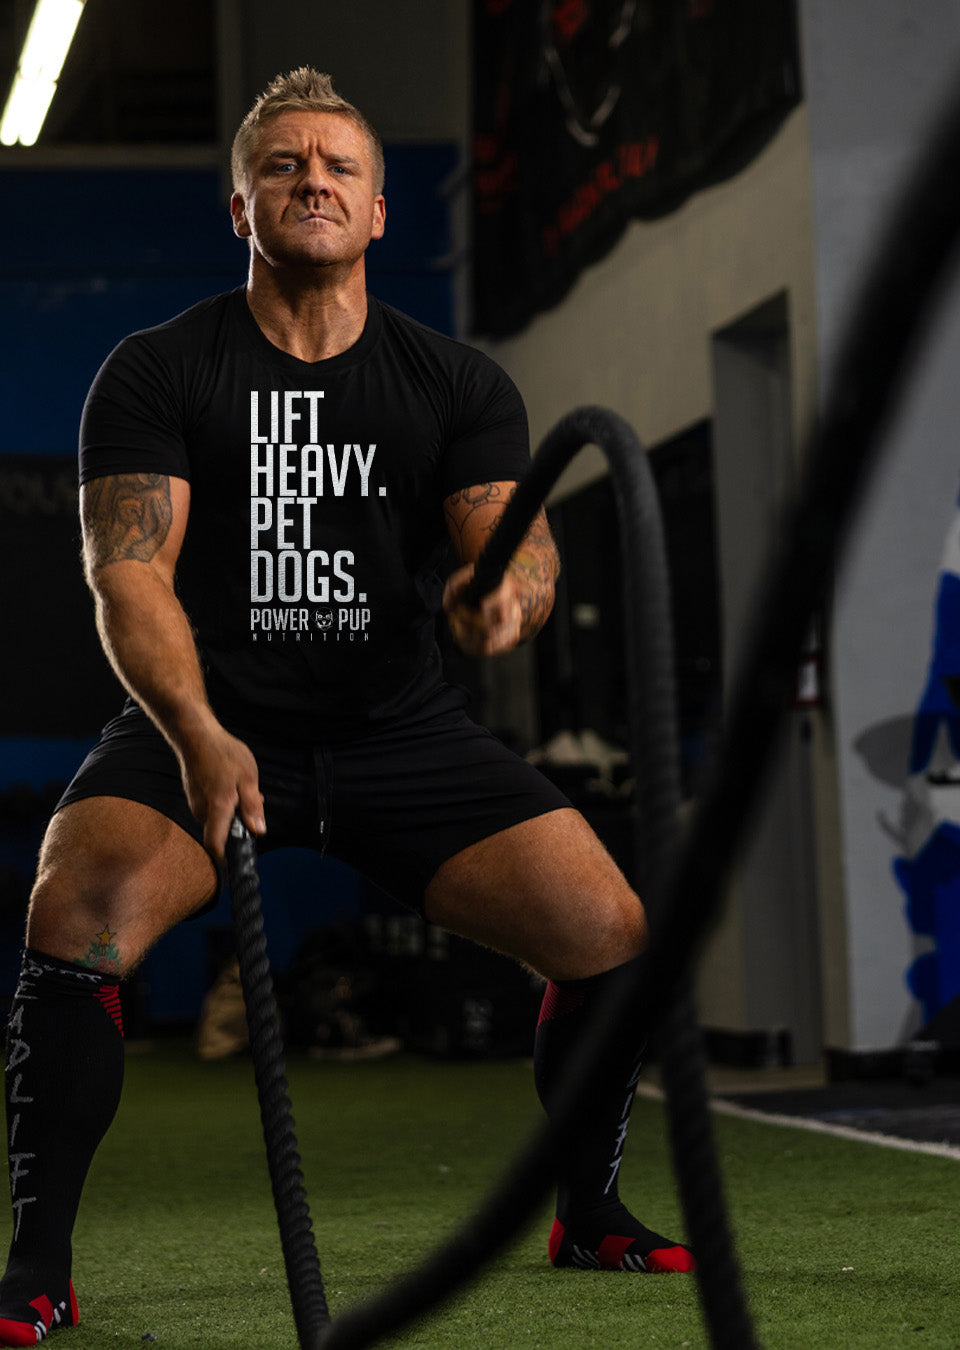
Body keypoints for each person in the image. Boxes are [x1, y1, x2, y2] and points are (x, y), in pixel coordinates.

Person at [0, 67, 693, 1345]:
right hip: (204, 722)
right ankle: (37, 1266)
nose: (311, 180)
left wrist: (507, 600)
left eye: (338, 167)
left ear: (379, 211)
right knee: (75, 911)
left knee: (608, 930)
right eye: (282, 165)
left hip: (397, 733)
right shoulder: (158, 371)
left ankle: (589, 1212)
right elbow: (128, 577)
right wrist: (198, 733)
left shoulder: (455, 383)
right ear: (241, 207)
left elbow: (515, 546)